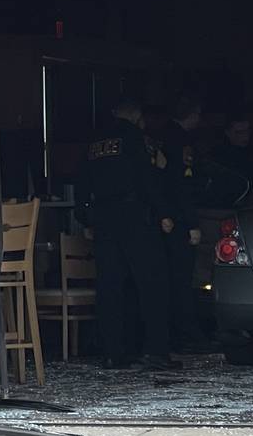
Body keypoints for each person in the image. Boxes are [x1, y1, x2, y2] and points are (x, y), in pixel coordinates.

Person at [78, 99, 181, 370]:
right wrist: (163, 213)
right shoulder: (134, 137)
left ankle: (112, 352)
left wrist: (84, 217)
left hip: (103, 217)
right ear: (134, 114)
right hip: (134, 216)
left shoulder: (94, 142)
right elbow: (145, 177)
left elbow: (82, 181)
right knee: (152, 283)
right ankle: (156, 350)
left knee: (109, 286)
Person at [157, 96, 207, 350]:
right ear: (193, 115)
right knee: (182, 279)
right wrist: (192, 223)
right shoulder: (181, 141)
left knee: (166, 279)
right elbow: (181, 185)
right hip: (177, 219)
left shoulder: (159, 136)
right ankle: (187, 333)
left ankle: (172, 333)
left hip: (160, 218)